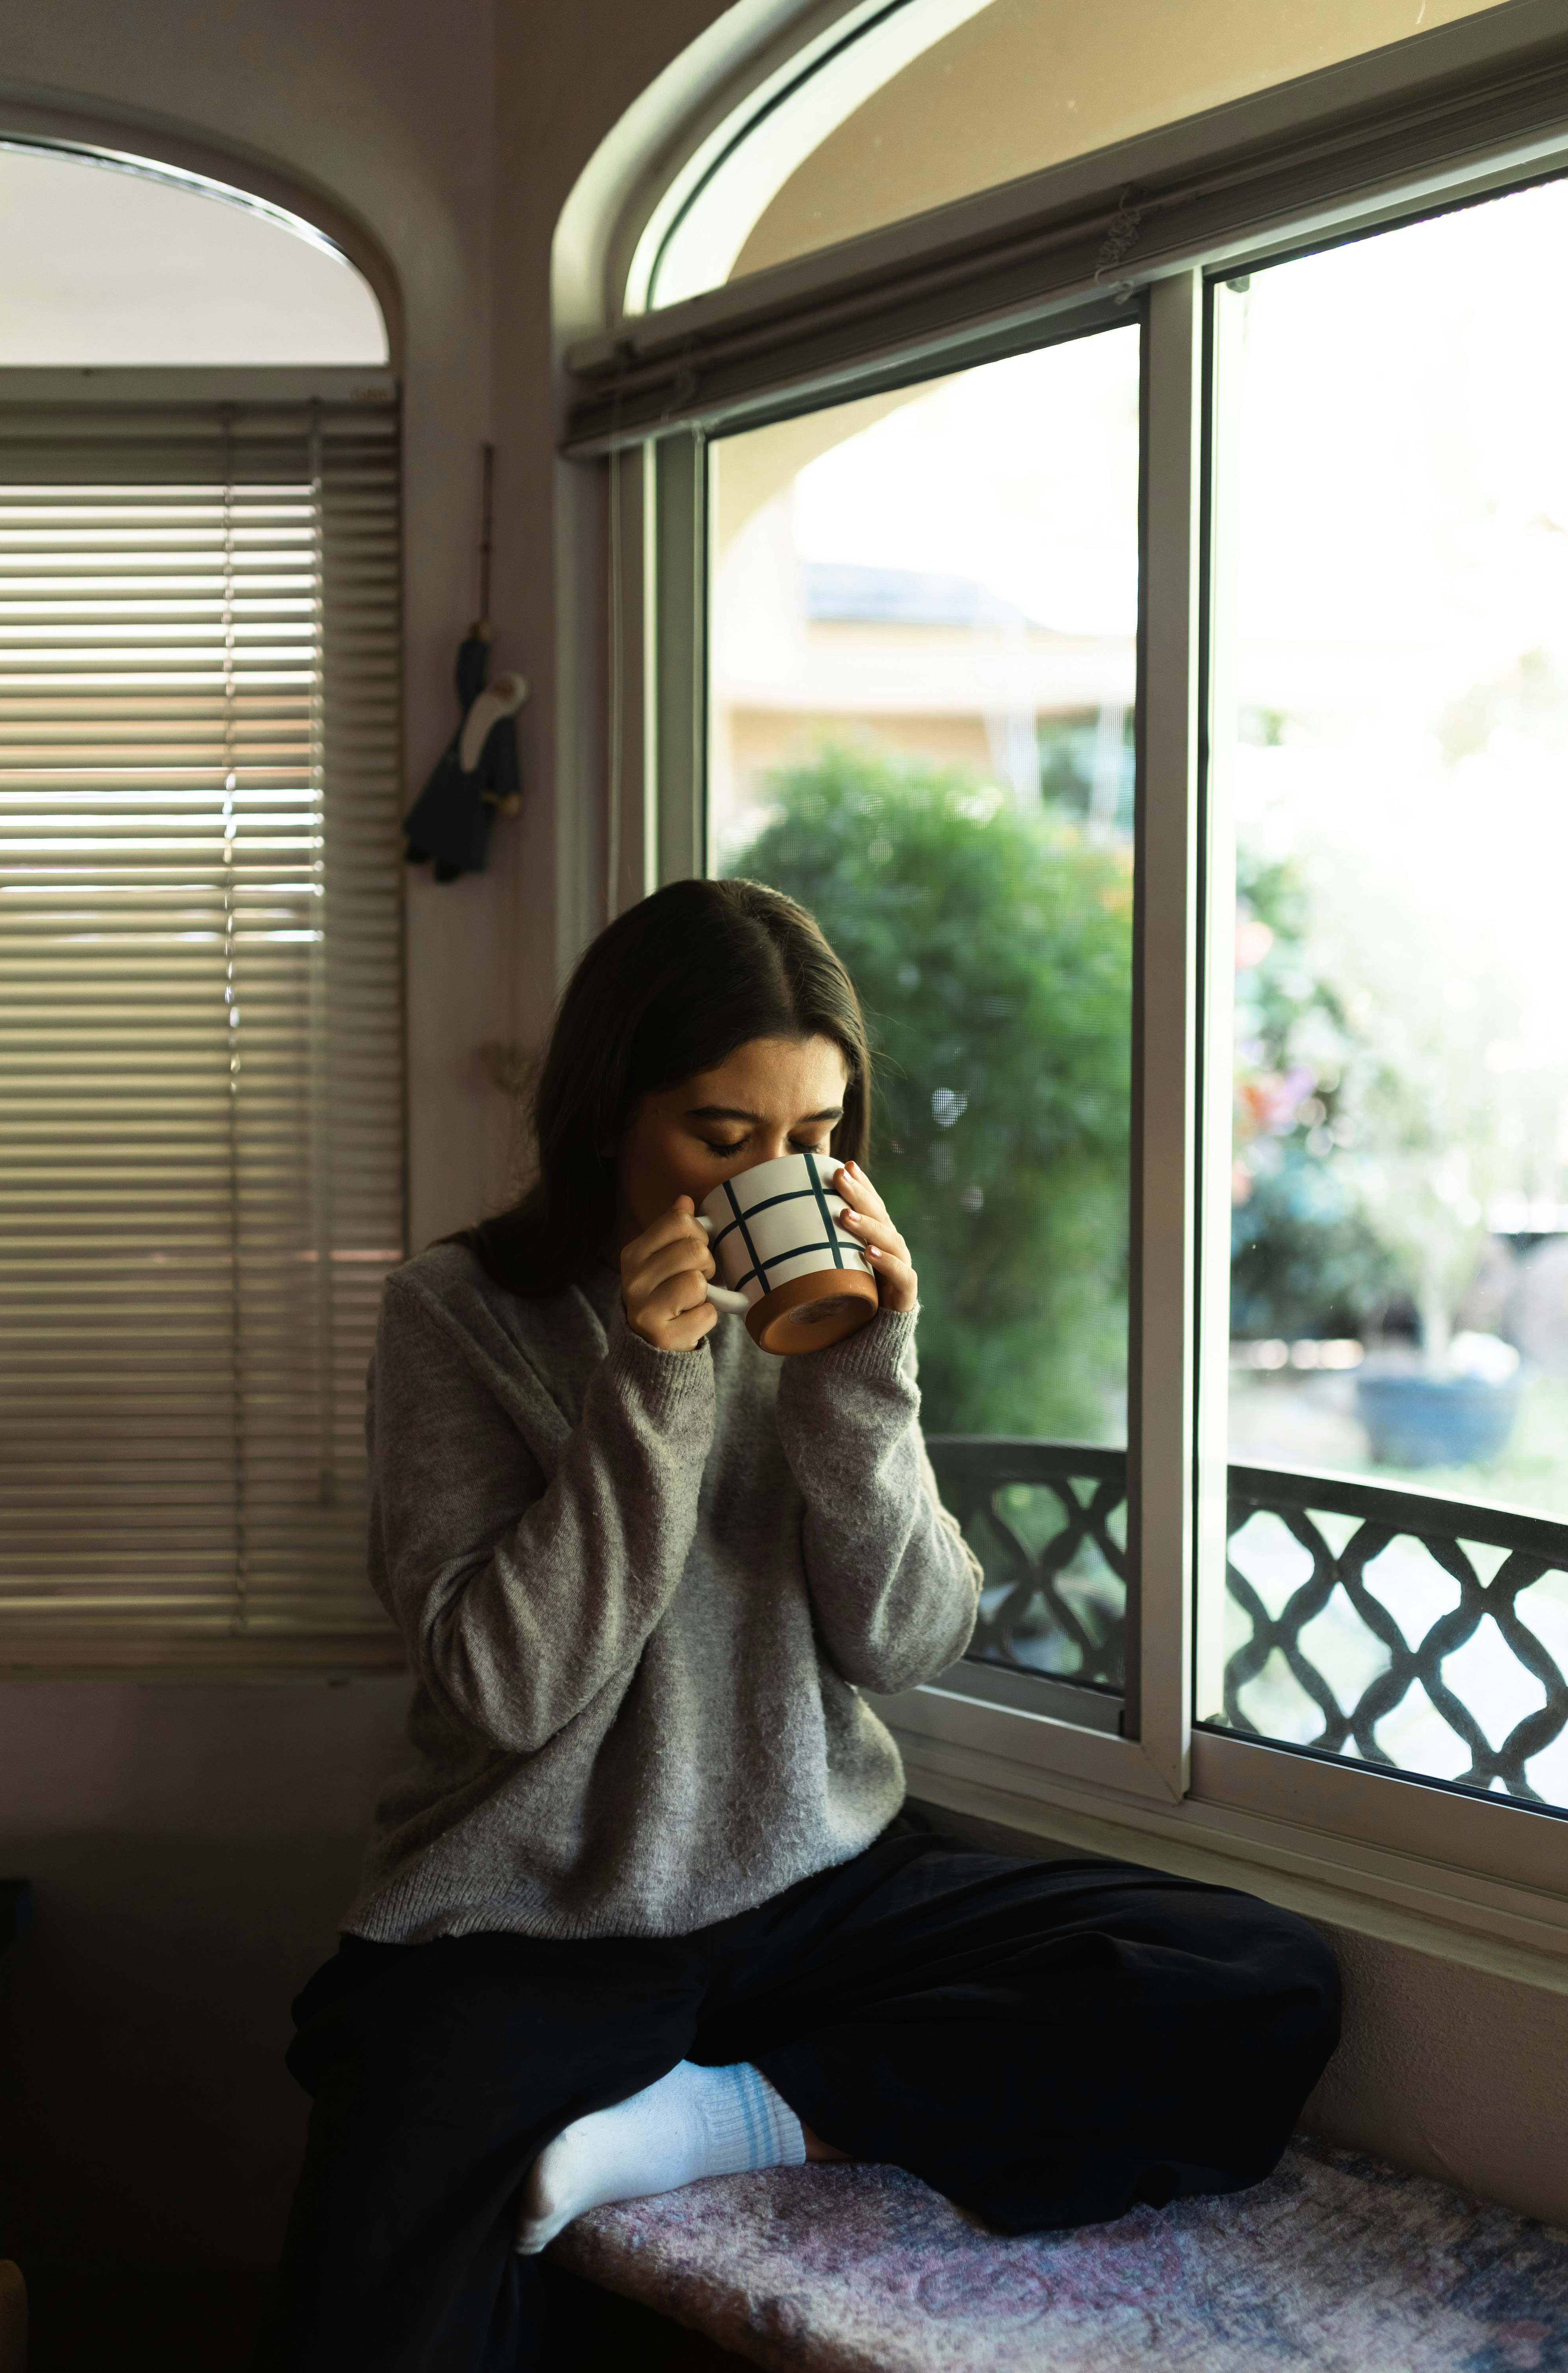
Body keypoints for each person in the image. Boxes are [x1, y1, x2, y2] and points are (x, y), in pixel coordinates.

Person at [255, 878, 1340, 2373]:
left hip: (811, 1881)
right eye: (724, 1137)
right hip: (537, 1918)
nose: (779, 1178)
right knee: (369, 2324)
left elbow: (909, 1638)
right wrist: (649, 1383)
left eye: (817, 1137)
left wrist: (865, 1375)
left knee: (1256, 1976)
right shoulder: (459, 1312)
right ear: (610, 1115)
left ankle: (726, 2113)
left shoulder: (820, 1326)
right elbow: (505, 1687)